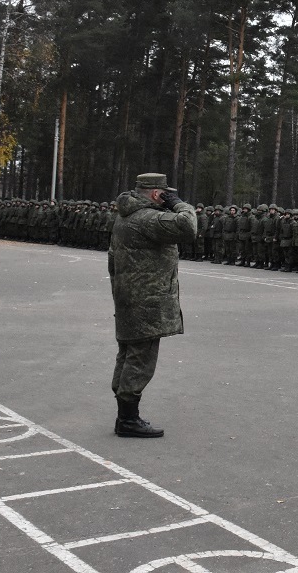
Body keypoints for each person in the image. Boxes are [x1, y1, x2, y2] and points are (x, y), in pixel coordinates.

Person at [107, 173, 197, 438]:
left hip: (129, 296)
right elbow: (188, 227)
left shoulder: (125, 215)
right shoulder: (145, 218)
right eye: (165, 195)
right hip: (145, 300)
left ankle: (125, 415)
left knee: (128, 353)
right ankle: (128, 420)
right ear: (157, 194)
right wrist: (179, 204)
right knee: (140, 358)